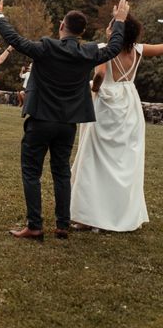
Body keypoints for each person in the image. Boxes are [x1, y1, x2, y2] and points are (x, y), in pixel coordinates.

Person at [0, 0, 129, 240]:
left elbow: (15, 39)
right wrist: (119, 21)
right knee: (62, 172)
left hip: (41, 120)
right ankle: (62, 225)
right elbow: (115, 46)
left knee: (32, 172)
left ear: (61, 26)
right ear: (82, 32)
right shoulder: (89, 52)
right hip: (68, 124)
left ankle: (35, 226)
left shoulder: (45, 47)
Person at [70, 14, 163, 232]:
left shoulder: (105, 48)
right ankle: (115, 215)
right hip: (129, 105)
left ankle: (88, 217)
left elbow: (101, 74)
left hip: (106, 103)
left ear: (116, 29)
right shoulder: (138, 50)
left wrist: (94, 89)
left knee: (94, 159)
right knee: (123, 161)